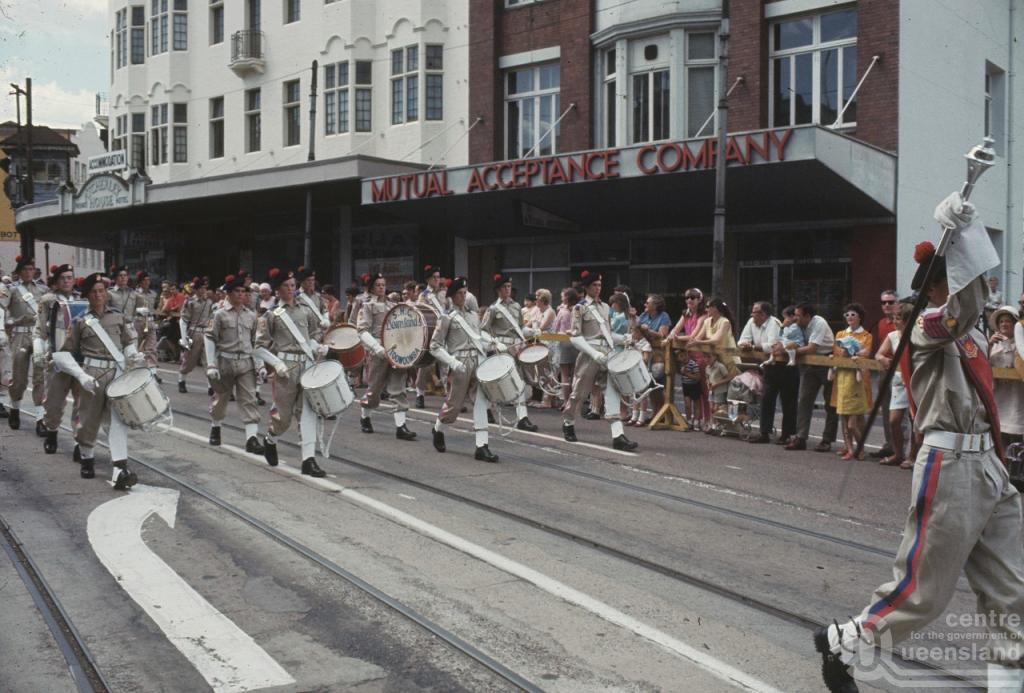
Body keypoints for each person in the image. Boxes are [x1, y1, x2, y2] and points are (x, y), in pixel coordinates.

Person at [816, 191, 1024, 693]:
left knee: (1013, 590)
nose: (973, 285)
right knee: (923, 593)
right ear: (939, 285)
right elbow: (962, 309)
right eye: (955, 275)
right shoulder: (926, 327)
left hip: (988, 465)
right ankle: (848, 642)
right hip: (950, 462)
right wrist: (968, 233)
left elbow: (976, 315)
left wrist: (966, 233)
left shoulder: (969, 332)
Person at [50, 272, 145, 487]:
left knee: (118, 420)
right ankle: (87, 458)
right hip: (92, 372)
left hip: (117, 373)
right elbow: (64, 353)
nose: (99, 295)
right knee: (88, 418)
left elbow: (128, 341)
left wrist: (133, 355)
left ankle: (120, 468)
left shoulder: (118, 316)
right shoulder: (80, 321)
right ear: (87, 295)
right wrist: (81, 375)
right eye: (94, 292)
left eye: (102, 291)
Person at [252, 268, 328, 477]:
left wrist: (316, 346)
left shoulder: (304, 310)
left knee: (308, 413)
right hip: (286, 369)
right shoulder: (271, 316)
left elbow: (314, 333)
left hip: (306, 365)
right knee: (283, 417)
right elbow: (258, 347)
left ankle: (308, 460)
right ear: (278, 290)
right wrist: (276, 364)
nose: (291, 289)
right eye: (286, 285)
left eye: (293, 285)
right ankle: (271, 438)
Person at [561, 270, 637, 451]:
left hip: (607, 354)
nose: (598, 288)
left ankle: (618, 435)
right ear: (587, 287)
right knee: (579, 392)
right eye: (594, 285)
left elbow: (608, 334)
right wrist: (594, 354)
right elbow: (575, 336)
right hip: (589, 354)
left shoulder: (605, 307)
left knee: (612, 392)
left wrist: (623, 339)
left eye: (600, 285)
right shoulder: (580, 308)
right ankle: (568, 421)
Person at [429, 276, 500, 463]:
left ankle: (482, 446)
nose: (463, 296)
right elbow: (434, 346)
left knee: (481, 402)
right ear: (452, 296)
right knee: (454, 405)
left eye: (464, 292)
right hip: (458, 363)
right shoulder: (446, 317)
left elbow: (477, 336)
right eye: (459, 293)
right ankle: (438, 429)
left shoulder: (472, 315)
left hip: (477, 360)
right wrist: (452, 362)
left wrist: (492, 342)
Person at [205, 274, 265, 454]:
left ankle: (251, 439)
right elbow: (209, 338)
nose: (241, 295)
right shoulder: (219, 314)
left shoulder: (251, 316)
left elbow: (256, 342)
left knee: (249, 399)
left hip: (246, 362)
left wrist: (260, 364)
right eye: (237, 291)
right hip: (225, 361)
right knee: (220, 399)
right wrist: (211, 364)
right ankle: (216, 427)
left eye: (243, 292)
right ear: (229, 294)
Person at [356, 273, 417, 440]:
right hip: (378, 351)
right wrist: (377, 348)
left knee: (398, 387)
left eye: (383, 284)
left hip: (396, 349)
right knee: (374, 389)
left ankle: (401, 426)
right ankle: (365, 417)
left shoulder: (393, 305)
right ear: (371, 288)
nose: (382, 287)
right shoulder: (367, 306)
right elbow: (362, 331)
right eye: (378, 285)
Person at [480, 273, 539, 431]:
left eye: (509, 287)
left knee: (519, 382)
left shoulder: (516, 306)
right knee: (495, 383)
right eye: (505, 287)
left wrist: (532, 332)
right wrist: (496, 343)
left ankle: (522, 418)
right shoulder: (493, 309)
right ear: (498, 290)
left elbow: (520, 328)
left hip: (515, 349)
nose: (508, 289)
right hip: (500, 349)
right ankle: (486, 409)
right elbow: (483, 331)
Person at [784, 303, 838, 452]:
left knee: (830, 403)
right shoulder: (799, 325)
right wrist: (786, 327)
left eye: (798, 315)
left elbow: (812, 347)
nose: (795, 318)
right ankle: (801, 437)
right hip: (810, 363)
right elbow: (787, 337)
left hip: (826, 361)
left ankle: (827, 439)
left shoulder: (818, 323)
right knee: (804, 400)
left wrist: (790, 352)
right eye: (794, 315)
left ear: (807, 316)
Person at [38, 265, 80, 456]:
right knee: (54, 403)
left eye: (70, 277)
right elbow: (41, 329)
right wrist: (41, 349)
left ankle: (81, 443)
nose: (66, 281)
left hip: (79, 359)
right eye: (63, 277)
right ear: (57, 280)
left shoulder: (82, 299)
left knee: (82, 404)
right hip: (57, 357)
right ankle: (52, 433)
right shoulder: (48, 300)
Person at [2, 256, 46, 431]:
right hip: (20, 335)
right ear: (20, 272)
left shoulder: (43, 289)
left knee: (40, 376)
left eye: (31, 269)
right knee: (19, 378)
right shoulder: (11, 290)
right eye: (25, 269)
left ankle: (40, 418)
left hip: (38, 335)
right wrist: (15, 321)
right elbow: (2, 310)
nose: (29, 272)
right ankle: (15, 408)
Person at [874, 301, 914, 468]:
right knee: (894, 420)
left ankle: (913, 457)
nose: (896, 321)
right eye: (896, 318)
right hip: (898, 381)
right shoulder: (892, 336)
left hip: (914, 382)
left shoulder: (917, 337)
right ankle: (898, 453)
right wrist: (883, 358)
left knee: (916, 421)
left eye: (899, 318)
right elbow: (878, 354)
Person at [737, 301, 783, 444]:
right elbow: (742, 340)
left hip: (780, 364)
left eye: (755, 312)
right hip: (765, 364)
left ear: (763, 314)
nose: (752, 314)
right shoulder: (751, 322)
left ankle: (786, 434)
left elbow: (772, 345)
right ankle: (765, 432)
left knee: (782, 400)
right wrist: (745, 344)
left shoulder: (773, 323)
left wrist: (754, 346)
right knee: (766, 398)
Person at [831, 303, 873, 460]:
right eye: (847, 315)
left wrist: (850, 351)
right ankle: (848, 447)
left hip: (858, 378)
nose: (849, 317)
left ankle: (859, 447)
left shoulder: (866, 335)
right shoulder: (840, 334)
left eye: (853, 314)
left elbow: (866, 353)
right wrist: (850, 351)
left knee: (857, 415)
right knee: (843, 413)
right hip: (842, 376)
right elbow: (838, 352)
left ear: (860, 317)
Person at [668, 289, 708, 430]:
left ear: (699, 299)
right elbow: (675, 329)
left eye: (693, 297)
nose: (689, 300)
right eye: (687, 298)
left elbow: (694, 335)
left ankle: (705, 419)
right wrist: (672, 335)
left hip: (701, 355)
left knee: (703, 390)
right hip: (689, 355)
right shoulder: (686, 314)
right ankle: (694, 419)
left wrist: (677, 337)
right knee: (690, 389)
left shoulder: (703, 315)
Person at [869, 290, 900, 460]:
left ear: (897, 302)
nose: (887, 305)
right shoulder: (881, 323)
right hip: (883, 370)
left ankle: (900, 448)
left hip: (899, 372)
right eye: (884, 302)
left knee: (899, 411)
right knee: (886, 408)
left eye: (890, 302)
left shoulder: (902, 322)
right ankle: (889, 445)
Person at [989, 305, 1023, 450]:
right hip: (1000, 396)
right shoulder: (994, 344)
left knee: (1016, 437)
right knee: (999, 436)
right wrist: (989, 345)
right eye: (1001, 321)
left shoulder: (1021, 344)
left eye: (1008, 321)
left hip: (1017, 398)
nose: (1004, 324)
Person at [177, 278, 214, 394]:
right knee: (189, 361)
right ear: (196, 289)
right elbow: (183, 320)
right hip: (193, 333)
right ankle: (181, 380)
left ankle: (211, 387)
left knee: (208, 360)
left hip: (206, 333)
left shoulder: (209, 302)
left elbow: (211, 318)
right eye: (202, 288)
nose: (204, 290)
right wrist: (184, 339)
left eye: (205, 288)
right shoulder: (190, 302)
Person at [552, 287, 578, 407]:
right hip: (576, 343)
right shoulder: (578, 310)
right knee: (574, 374)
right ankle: (573, 401)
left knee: (564, 374)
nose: (561, 297)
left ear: (566, 298)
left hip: (563, 342)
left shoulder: (562, 312)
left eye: (563, 296)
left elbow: (555, 328)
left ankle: (565, 401)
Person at [133, 271, 160, 376]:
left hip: (150, 321)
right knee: (135, 346)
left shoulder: (153, 294)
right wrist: (139, 310)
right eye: (144, 280)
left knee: (152, 347)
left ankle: (153, 372)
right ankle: (133, 369)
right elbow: (131, 308)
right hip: (138, 320)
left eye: (148, 279)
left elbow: (155, 307)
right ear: (140, 282)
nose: (147, 282)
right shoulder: (134, 294)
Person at [704, 349, 731, 434]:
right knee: (711, 408)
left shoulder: (720, 366)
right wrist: (708, 383)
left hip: (720, 390)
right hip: (712, 390)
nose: (707, 359)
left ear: (715, 357)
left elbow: (728, 377)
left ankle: (718, 425)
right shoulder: (707, 368)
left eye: (709, 357)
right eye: (705, 357)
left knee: (717, 409)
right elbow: (707, 378)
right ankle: (712, 425)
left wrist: (717, 383)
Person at [295, 266, 332, 330]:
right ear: (302, 282)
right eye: (308, 280)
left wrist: (326, 319)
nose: (311, 282)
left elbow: (324, 310)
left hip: (319, 331)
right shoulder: (295, 296)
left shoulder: (317, 296)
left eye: (313, 280)